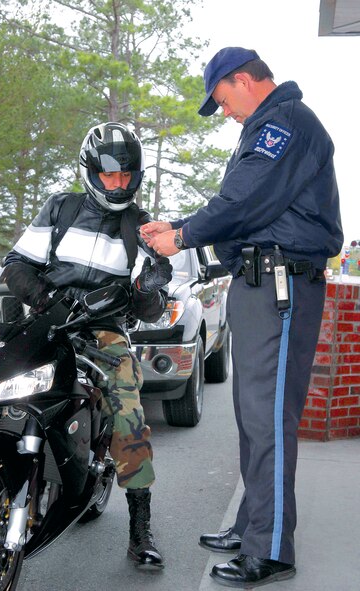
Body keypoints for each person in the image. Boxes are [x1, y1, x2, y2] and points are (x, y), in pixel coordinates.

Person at [140, 47, 343, 587]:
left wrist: (183, 235)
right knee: (254, 418)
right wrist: (182, 229)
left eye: (223, 99)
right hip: (261, 284)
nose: (224, 112)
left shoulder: (285, 123)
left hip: (282, 287)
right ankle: (256, 524)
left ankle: (272, 548)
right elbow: (242, 211)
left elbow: (243, 200)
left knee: (269, 417)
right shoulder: (268, 127)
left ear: (243, 80)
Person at [3, 121, 173, 570]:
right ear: (90, 171)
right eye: (108, 174)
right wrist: (44, 299)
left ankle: (140, 530)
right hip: (44, 319)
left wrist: (148, 288)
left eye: (126, 176)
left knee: (129, 410)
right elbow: (16, 264)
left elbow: (152, 308)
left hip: (103, 330)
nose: (117, 184)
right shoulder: (60, 208)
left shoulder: (141, 226)